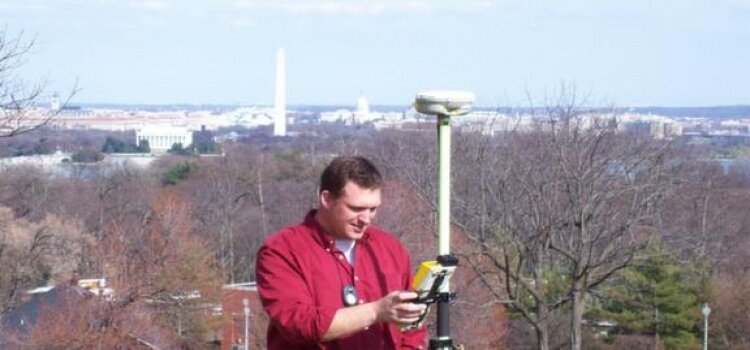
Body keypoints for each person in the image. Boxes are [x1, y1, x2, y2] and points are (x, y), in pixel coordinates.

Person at [256, 156, 427, 349]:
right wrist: (376, 312)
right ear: (327, 199)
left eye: (373, 209)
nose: (366, 219)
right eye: (356, 209)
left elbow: (411, 329)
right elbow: (299, 324)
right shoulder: (282, 250)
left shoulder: (389, 248)